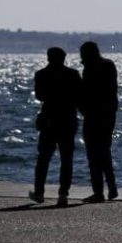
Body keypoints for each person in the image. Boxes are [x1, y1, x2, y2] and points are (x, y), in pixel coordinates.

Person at [29, 47, 82, 207]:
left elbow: (39, 96)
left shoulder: (41, 75)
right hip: (68, 119)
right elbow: (79, 96)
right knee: (66, 160)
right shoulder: (73, 74)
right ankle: (63, 194)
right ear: (64, 58)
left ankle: (39, 192)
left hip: (49, 119)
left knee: (43, 158)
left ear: (48, 58)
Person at [79, 41, 119, 203]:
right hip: (108, 114)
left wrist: (83, 108)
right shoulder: (109, 65)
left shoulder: (89, 69)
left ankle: (99, 191)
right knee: (104, 151)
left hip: (93, 115)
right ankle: (111, 186)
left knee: (93, 155)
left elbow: (86, 92)